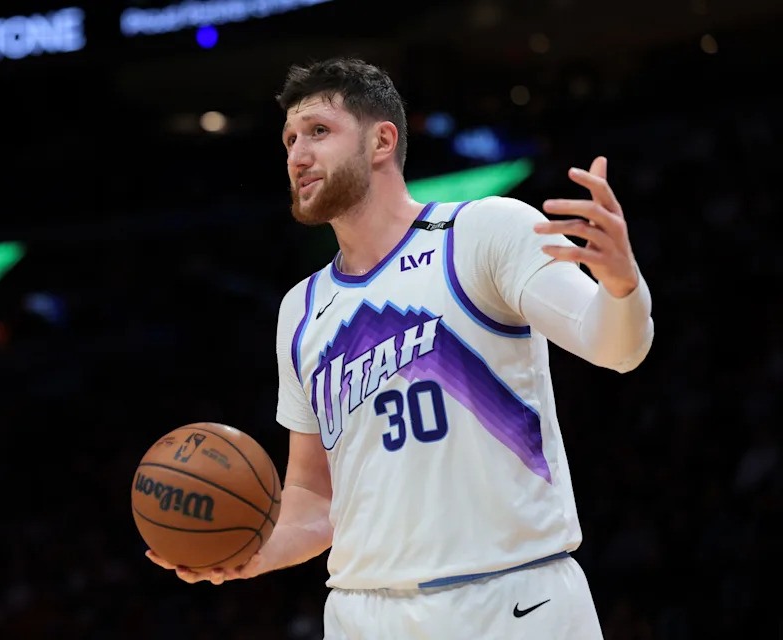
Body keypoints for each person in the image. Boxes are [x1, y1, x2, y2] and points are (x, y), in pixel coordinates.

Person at [147, 57, 654, 639]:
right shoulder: (301, 309)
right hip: (364, 615)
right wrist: (248, 553)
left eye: (318, 131)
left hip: (511, 600)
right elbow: (314, 496)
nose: (297, 155)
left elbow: (616, 348)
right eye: (289, 140)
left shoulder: (482, 232)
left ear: (382, 141)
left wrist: (622, 287)